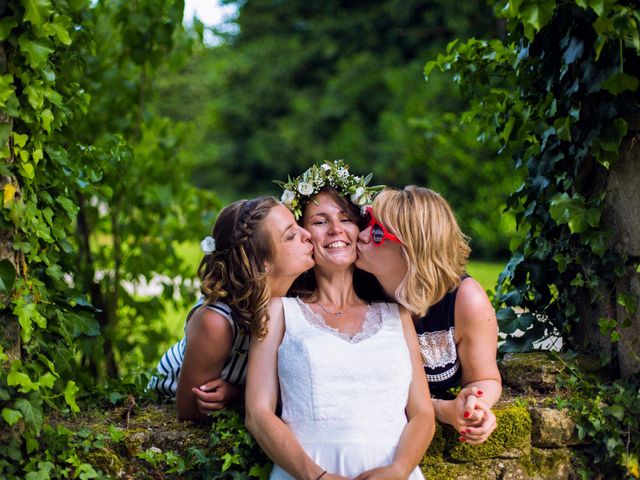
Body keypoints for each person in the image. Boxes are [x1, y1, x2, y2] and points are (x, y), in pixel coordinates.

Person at [246, 161, 435, 479]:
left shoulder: (396, 314)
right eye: (320, 221)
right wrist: (316, 476)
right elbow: (257, 413)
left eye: (346, 219)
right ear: (305, 235)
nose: (336, 229)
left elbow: (422, 414)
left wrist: (399, 469)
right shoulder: (279, 312)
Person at [355, 185, 501, 445]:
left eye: (377, 232)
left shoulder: (465, 302)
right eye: (367, 220)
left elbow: (484, 378)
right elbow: (363, 396)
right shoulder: (355, 290)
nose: (362, 234)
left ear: (414, 250)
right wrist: (442, 410)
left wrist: (475, 405)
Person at [148, 196, 314, 421]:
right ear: (261, 263)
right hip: (166, 401)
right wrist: (237, 397)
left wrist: (237, 394)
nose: (308, 234)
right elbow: (188, 409)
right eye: (291, 235)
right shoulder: (217, 322)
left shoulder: (299, 296)